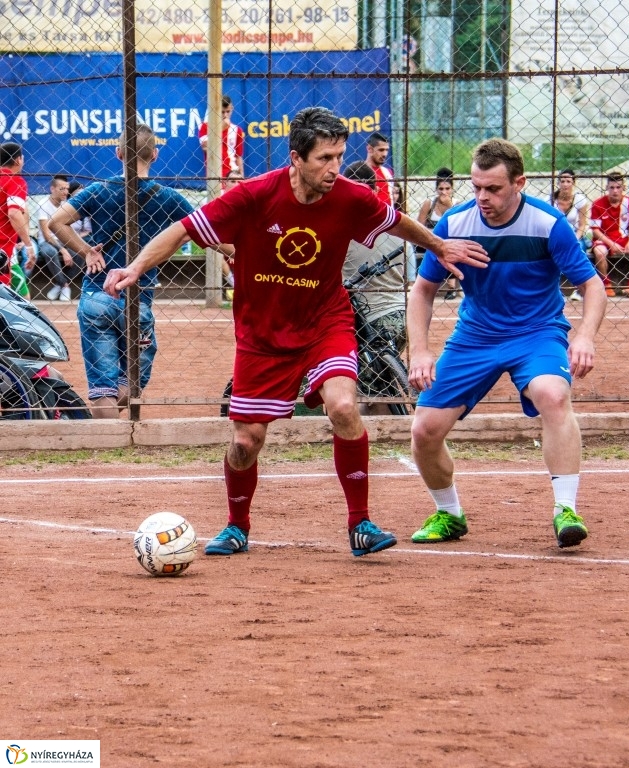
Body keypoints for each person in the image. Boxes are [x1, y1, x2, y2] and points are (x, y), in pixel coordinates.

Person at [99, 106, 488, 559]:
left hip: (325, 321)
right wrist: (135, 267)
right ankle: (237, 526)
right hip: (262, 334)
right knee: (245, 442)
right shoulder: (254, 195)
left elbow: (396, 222)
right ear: (296, 159)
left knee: (344, 406)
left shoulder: (349, 196)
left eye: (339, 156)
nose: (335, 168)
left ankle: (360, 524)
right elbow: (182, 231)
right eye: (324, 158)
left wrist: (439, 245)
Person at [407, 138, 607, 549]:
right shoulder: (454, 224)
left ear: (519, 183)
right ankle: (449, 514)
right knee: (424, 429)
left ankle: (566, 510)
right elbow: (422, 290)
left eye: (493, 188)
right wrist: (421, 350)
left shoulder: (548, 223)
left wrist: (585, 335)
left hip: (537, 332)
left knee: (553, 395)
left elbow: (592, 285)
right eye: (476, 187)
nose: (483, 197)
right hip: (475, 337)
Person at [49, 124, 195, 418]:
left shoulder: (99, 190)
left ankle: (105, 434)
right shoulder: (168, 197)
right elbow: (209, 231)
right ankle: (118, 421)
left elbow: (56, 222)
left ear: (118, 153)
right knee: (129, 382)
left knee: (102, 386)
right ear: (154, 154)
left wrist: (87, 251)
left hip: (97, 292)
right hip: (138, 297)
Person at [342, 161, 407, 413]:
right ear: (376, 189)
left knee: (364, 391)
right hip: (403, 316)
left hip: (370, 322)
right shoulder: (397, 225)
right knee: (381, 384)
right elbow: (409, 277)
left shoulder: (344, 231)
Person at [36, 174, 86, 302]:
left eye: (67, 188)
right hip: (47, 241)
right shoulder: (43, 204)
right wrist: (63, 251)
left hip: (63, 239)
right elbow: (47, 235)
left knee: (80, 254)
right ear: (52, 189)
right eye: (62, 189)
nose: (65, 192)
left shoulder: (67, 204)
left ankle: (62, 284)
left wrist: (71, 244)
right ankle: (64, 285)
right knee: (50, 252)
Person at [417, 168, 459, 298]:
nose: (444, 192)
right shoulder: (429, 203)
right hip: (429, 241)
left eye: (447, 189)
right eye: (441, 189)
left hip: (449, 241)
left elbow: (459, 227)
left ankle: (451, 287)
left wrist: (450, 206)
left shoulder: (457, 204)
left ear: (452, 189)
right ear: (436, 189)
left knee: (451, 247)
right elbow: (419, 226)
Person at [549, 169, 591, 301]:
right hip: (555, 235)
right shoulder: (550, 200)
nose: (565, 184)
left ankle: (579, 289)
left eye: (568, 181)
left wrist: (574, 239)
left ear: (573, 183)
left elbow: (582, 225)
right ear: (558, 183)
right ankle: (553, 290)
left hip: (575, 235)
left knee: (580, 249)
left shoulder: (580, 200)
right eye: (562, 181)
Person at [0, 142, 35, 287]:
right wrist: (29, 245)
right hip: (2, 248)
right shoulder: (15, 181)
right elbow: (14, 213)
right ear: (18, 160)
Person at [199, 94, 245, 179]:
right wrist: (221, 128)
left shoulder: (237, 130)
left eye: (228, 111)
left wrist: (242, 176)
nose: (225, 115)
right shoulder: (205, 127)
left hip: (233, 174)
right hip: (214, 174)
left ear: (232, 109)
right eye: (222, 112)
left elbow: (238, 156)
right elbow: (206, 147)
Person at [364, 131, 394, 205]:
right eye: (381, 150)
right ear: (369, 149)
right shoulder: (360, 172)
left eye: (387, 150)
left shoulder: (388, 172)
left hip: (389, 211)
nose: (385, 154)